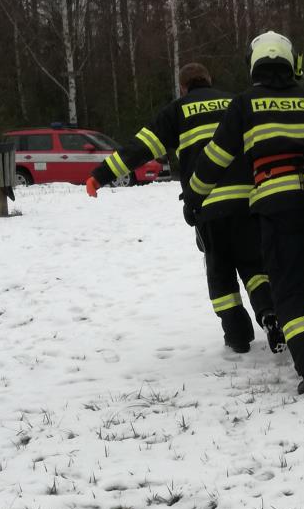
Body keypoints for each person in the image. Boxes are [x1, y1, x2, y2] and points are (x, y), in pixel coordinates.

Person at [84, 61, 281, 356]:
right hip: (248, 201)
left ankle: (238, 337)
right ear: (210, 80)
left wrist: (100, 176)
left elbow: (141, 147)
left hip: (208, 204)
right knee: (255, 265)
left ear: (183, 87)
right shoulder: (235, 102)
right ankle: (269, 313)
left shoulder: (177, 110)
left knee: (220, 270)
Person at [186, 32, 304, 398]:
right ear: (292, 62)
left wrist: (193, 197)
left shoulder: (246, 103)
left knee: (287, 284)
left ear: (253, 63)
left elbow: (217, 158)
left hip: (278, 200)